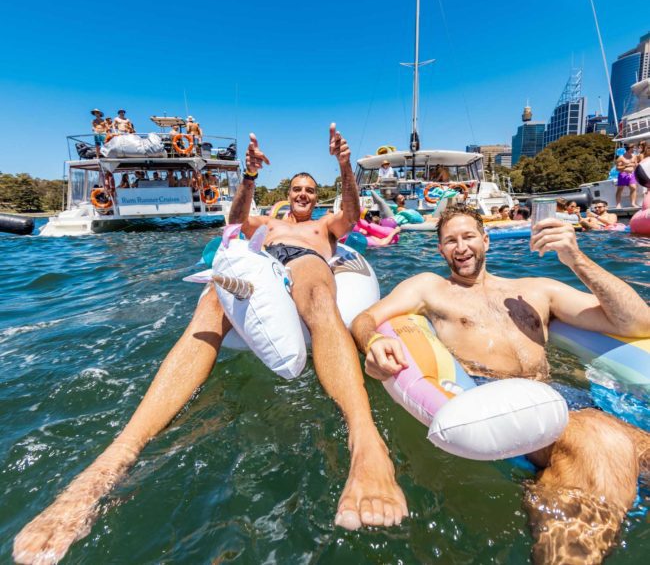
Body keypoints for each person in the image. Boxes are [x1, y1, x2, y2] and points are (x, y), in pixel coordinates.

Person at [13, 125, 407, 565]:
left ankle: (365, 440)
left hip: (307, 265)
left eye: (309, 190)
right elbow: (236, 223)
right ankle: (116, 457)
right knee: (212, 299)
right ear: (287, 193)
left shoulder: (324, 227)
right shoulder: (268, 222)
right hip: (261, 262)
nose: (300, 195)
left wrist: (344, 167)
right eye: (295, 188)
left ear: (317, 197)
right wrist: (250, 178)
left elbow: (351, 216)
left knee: (318, 294)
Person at [350, 205, 650, 563]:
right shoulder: (430, 288)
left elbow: (638, 322)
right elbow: (366, 318)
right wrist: (373, 341)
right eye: (450, 241)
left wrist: (576, 259)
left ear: (486, 240)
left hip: (565, 396)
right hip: (499, 400)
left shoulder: (537, 290)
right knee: (601, 440)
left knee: (637, 450)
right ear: (440, 249)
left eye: (468, 237)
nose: (461, 247)